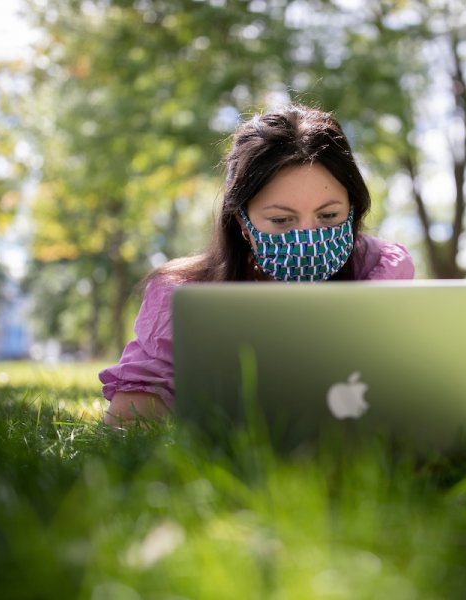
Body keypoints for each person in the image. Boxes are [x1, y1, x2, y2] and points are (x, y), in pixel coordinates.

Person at [100, 105, 415, 425]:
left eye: (329, 216)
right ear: (243, 223)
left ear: (352, 208)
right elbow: (129, 415)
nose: (308, 238)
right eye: (281, 220)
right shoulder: (182, 295)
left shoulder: (380, 270)